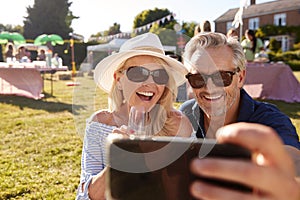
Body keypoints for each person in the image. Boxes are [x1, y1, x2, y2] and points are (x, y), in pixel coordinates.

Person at [180, 32, 300, 199]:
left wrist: (291, 185)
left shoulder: (270, 121)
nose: (209, 88)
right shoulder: (185, 114)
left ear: (241, 77)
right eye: (198, 78)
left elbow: (291, 160)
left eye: (221, 77)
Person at [76, 33, 193, 200]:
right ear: (119, 79)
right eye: (139, 73)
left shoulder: (178, 124)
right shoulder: (100, 124)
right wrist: (117, 161)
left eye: (159, 75)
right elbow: (84, 197)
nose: (150, 83)